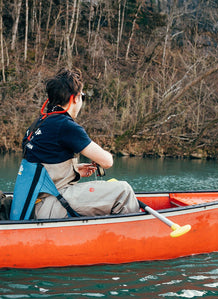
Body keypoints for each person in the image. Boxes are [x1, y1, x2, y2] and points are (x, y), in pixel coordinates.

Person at [21, 68, 140, 219]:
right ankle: (128, 238)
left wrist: (74, 170)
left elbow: (41, 166)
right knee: (124, 191)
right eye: (82, 96)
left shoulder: (38, 124)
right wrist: (103, 155)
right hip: (50, 204)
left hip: (32, 203)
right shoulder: (65, 125)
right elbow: (107, 162)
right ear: (75, 98)